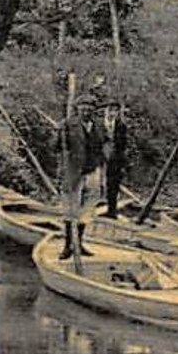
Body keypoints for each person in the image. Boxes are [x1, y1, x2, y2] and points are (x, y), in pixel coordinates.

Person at [57, 94, 103, 259]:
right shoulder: (68, 125)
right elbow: (56, 148)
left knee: (88, 210)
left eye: (90, 107)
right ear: (77, 109)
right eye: (83, 107)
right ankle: (67, 246)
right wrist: (60, 134)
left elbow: (102, 147)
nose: (87, 110)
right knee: (70, 210)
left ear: (94, 110)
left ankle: (80, 243)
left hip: (92, 172)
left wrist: (99, 165)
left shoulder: (98, 126)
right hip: (73, 172)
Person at [100, 100, 128, 220]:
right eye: (110, 110)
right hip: (98, 157)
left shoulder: (121, 126)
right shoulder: (97, 124)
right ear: (105, 111)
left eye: (115, 111)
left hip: (114, 159)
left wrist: (120, 160)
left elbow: (123, 145)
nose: (112, 113)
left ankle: (111, 211)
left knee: (113, 185)